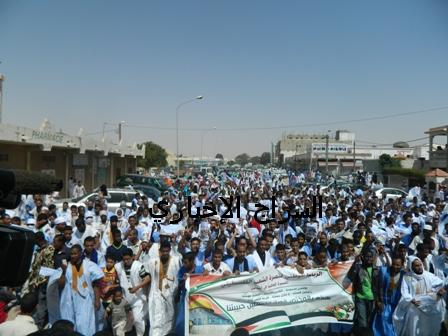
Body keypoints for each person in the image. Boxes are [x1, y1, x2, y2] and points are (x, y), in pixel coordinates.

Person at [58, 244, 104, 336]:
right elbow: (61, 284)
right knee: (71, 324)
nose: (73, 256)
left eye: (75, 253)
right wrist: (63, 271)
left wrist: (97, 300)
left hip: (86, 300)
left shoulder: (89, 265)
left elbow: (96, 285)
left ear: (80, 253)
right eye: (71, 254)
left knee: (86, 324)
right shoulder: (66, 267)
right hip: (70, 301)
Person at [393, 256, 446, 336]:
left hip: (428, 305)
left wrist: (436, 291)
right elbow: (405, 290)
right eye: (417, 266)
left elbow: (440, 283)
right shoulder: (407, 277)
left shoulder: (428, 275)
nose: (420, 267)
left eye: (420, 264)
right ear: (412, 266)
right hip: (414, 306)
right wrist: (411, 299)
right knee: (413, 328)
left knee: (427, 328)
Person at [145, 240, 181, 336]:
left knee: (170, 315)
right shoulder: (153, 261)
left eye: (167, 251)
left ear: (170, 250)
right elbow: (148, 276)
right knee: (156, 316)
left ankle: (167, 333)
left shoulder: (176, 261)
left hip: (171, 292)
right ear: (159, 251)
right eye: (163, 251)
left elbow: (181, 275)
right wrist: (141, 288)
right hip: (156, 292)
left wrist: (178, 292)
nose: (165, 253)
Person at [114, 248, 150, 336]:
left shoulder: (138, 266)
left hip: (138, 298)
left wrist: (137, 287)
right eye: (124, 259)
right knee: (124, 323)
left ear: (132, 257)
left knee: (138, 319)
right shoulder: (118, 266)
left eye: (128, 259)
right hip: (124, 299)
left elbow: (147, 278)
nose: (126, 261)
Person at [23, 231, 55, 329]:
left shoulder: (49, 250)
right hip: (35, 282)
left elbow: (48, 269)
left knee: (41, 305)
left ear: (38, 240)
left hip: (42, 283)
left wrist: (38, 283)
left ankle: (37, 327)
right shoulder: (39, 250)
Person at [347, 250, 382, 336]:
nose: (368, 259)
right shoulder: (358, 267)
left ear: (373, 258)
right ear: (363, 257)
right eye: (367, 256)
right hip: (360, 298)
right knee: (363, 322)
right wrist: (355, 262)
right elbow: (350, 276)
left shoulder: (376, 269)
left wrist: (379, 300)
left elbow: (379, 286)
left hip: (372, 299)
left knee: (369, 320)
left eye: (370, 257)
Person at [372, 256, 405, 336]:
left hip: (397, 307)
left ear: (402, 265)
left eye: (398, 265)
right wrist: (378, 301)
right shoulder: (384, 271)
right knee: (382, 324)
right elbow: (376, 287)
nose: (395, 266)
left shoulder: (404, 275)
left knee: (394, 326)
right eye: (393, 264)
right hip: (384, 304)